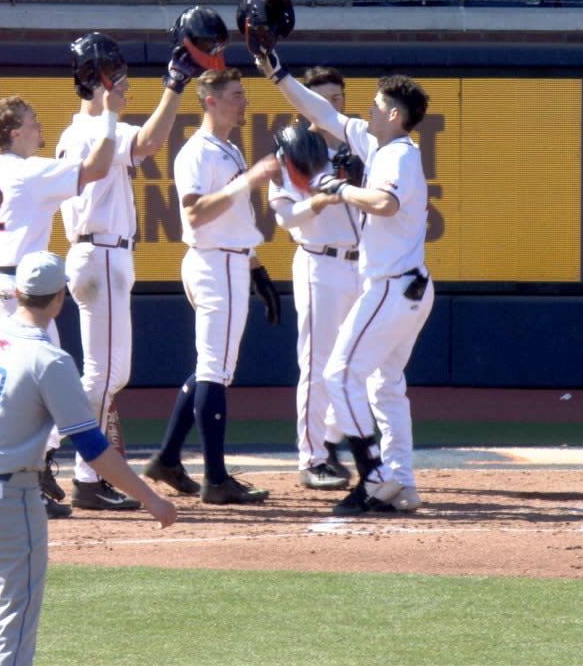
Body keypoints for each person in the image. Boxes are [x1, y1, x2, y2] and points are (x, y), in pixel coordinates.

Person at [0, 251, 176, 666]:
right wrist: (150, 498)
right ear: (60, 298)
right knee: (16, 623)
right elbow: (93, 450)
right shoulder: (51, 361)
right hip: (5, 499)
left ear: (17, 292)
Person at [256, 47, 435, 516]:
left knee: (339, 373)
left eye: (376, 105)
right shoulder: (378, 143)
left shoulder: (397, 152)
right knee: (386, 385)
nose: (364, 111)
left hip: (390, 285)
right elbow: (318, 110)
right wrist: (278, 74)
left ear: (394, 114)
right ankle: (402, 481)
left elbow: (386, 204)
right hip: (407, 285)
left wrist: (341, 188)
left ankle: (375, 478)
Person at [54, 23, 215, 512]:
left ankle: (73, 466)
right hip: (99, 252)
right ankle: (71, 467)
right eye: (115, 73)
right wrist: (174, 83)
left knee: (107, 375)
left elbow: (145, 141)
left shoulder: (92, 129)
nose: (123, 81)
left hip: (103, 253)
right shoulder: (90, 131)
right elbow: (146, 144)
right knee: (104, 376)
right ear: (99, 79)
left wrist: (173, 85)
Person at [0, 90, 122, 518]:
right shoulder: (30, 171)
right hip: (14, 291)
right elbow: (98, 168)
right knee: (40, 384)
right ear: (15, 132)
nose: (39, 126)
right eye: (32, 120)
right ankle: (31, 477)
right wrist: (110, 117)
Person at [144, 68, 280, 505]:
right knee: (215, 371)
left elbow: (235, 218)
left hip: (230, 261)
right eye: (236, 95)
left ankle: (167, 457)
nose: (244, 102)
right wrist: (250, 179)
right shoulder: (197, 152)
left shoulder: (227, 148)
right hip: (214, 262)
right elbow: (196, 214)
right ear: (211, 101)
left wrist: (258, 271)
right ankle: (216, 478)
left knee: (211, 367)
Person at [267, 66, 364, 492]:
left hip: (363, 265)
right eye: (322, 99)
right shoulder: (295, 152)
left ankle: (329, 441)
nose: (332, 106)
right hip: (319, 263)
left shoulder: (359, 147)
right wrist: (321, 198)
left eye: (337, 99)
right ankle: (312, 459)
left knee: (356, 363)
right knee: (319, 362)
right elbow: (286, 217)